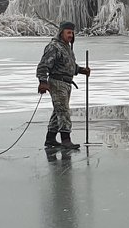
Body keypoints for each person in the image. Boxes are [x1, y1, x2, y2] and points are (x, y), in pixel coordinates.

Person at [36, 22, 90, 150]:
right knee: (63, 111)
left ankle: (50, 138)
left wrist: (81, 70)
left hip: (66, 83)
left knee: (58, 111)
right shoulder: (54, 47)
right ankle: (66, 140)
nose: (71, 35)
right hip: (57, 83)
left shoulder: (66, 47)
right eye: (68, 32)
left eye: (72, 33)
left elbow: (69, 66)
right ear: (61, 33)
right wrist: (42, 82)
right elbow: (43, 66)